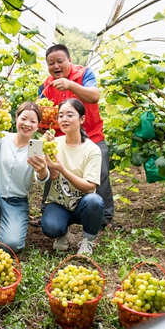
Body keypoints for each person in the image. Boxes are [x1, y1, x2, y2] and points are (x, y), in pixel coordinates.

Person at [36, 44, 115, 229]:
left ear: (69, 61)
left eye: (60, 61)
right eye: (51, 63)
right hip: (61, 139)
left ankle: (105, 218)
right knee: (51, 171)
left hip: (92, 135)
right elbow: (42, 113)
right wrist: (40, 124)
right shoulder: (46, 85)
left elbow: (94, 96)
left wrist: (70, 84)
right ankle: (46, 211)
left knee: (100, 174)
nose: (55, 66)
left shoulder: (84, 74)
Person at [0, 98, 49, 257]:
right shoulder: (2, 138)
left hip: (17, 203)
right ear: (16, 118)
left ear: (38, 125)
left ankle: (9, 225)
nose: (27, 124)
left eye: (33, 121)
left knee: (12, 246)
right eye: (23, 118)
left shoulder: (36, 146)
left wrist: (42, 170)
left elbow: (41, 178)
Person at [41, 99, 105, 255]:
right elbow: (54, 175)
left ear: (82, 119)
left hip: (83, 205)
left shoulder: (92, 150)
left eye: (70, 115)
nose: (64, 119)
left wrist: (63, 169)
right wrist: (46, 157)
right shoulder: (54, 143)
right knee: (50, 228)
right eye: (60, 115)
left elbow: (90, 187)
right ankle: (61, 233)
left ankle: (87, 241)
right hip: (60, 203)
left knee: (94, 201)